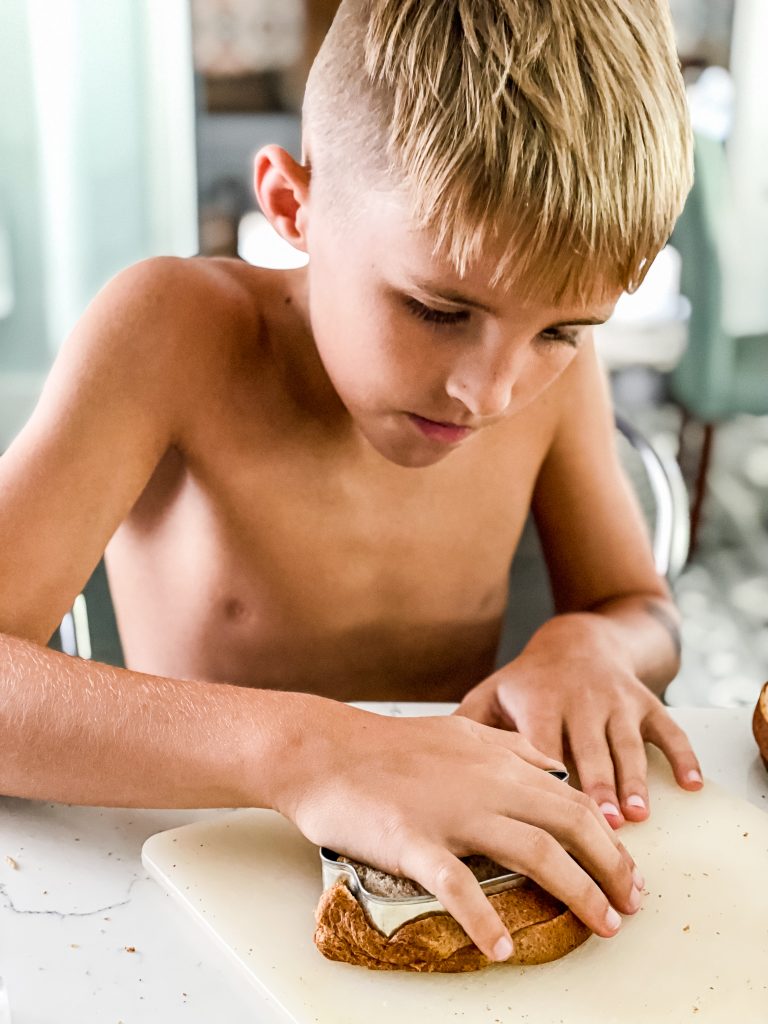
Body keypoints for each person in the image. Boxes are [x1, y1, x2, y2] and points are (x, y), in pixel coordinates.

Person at [0, 0, 703, 964]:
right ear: (293, 206)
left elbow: (642, 609)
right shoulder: (171, 333)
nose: (490, 391)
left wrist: (588, 643)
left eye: (562, 330)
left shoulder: (547, 374)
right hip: (187, 881)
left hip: (444, 887)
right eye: (436, 308)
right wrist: (314, 752)